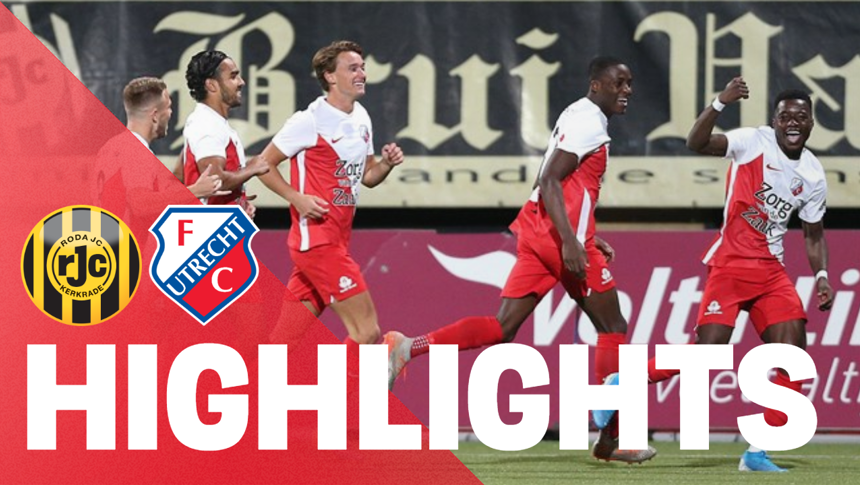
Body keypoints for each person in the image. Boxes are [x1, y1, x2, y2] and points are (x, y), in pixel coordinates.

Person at [384, 56, 655, 464]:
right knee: (612, 326)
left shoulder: (579, 114)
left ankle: (408, 347)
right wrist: (571, 241)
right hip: (556, 238)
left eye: (630, 82)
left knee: (502, 327)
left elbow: (561, 184)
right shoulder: (589, 122)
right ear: (597, 85)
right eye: (619, 83)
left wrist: (584, 234)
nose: (627, 90)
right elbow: (549, 179)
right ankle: (613, 438)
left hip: (537, 229)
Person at [639, 79, 833, 472]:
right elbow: (696, 142)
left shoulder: (813, 174)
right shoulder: (752, 142)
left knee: (794, 357)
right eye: (785, 116)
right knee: (708, 354)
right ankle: (624, 384)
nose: (793, 122)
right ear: (774, 121)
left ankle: (757, 453)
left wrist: (823, 276)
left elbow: (813, 235)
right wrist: (719, 103)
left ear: (812, 123)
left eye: (801, 116)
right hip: (730, 263)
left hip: (771, 271)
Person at [256, 41, 404, 369]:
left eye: (362, 67)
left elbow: (368, 176)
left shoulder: (362, 117)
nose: (362, 74)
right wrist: (295, 197)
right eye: (353, 68)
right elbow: (262, 164)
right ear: (330, 76)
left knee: (281, 343)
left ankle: (247, 393)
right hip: (318, 244)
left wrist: (387, 164)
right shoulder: (309, 120)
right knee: (367, 333)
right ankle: (337, 396)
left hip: (334, 242)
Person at [95, 76, 226, 220]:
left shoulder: (111, 147)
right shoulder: (136, 151)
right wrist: (195, 191)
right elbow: (140, 204)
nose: (171, 113)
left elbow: (146, 199)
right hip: (127, 234)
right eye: (168, 107)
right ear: (155, 115)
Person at [182, 50, 269, 216]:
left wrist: (239, 200)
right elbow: (215, 180)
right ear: (211, 85)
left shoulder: (214, 122)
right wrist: (252, 169)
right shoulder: (206, 124)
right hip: (209, 228)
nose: (241, 82)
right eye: (233, 76)